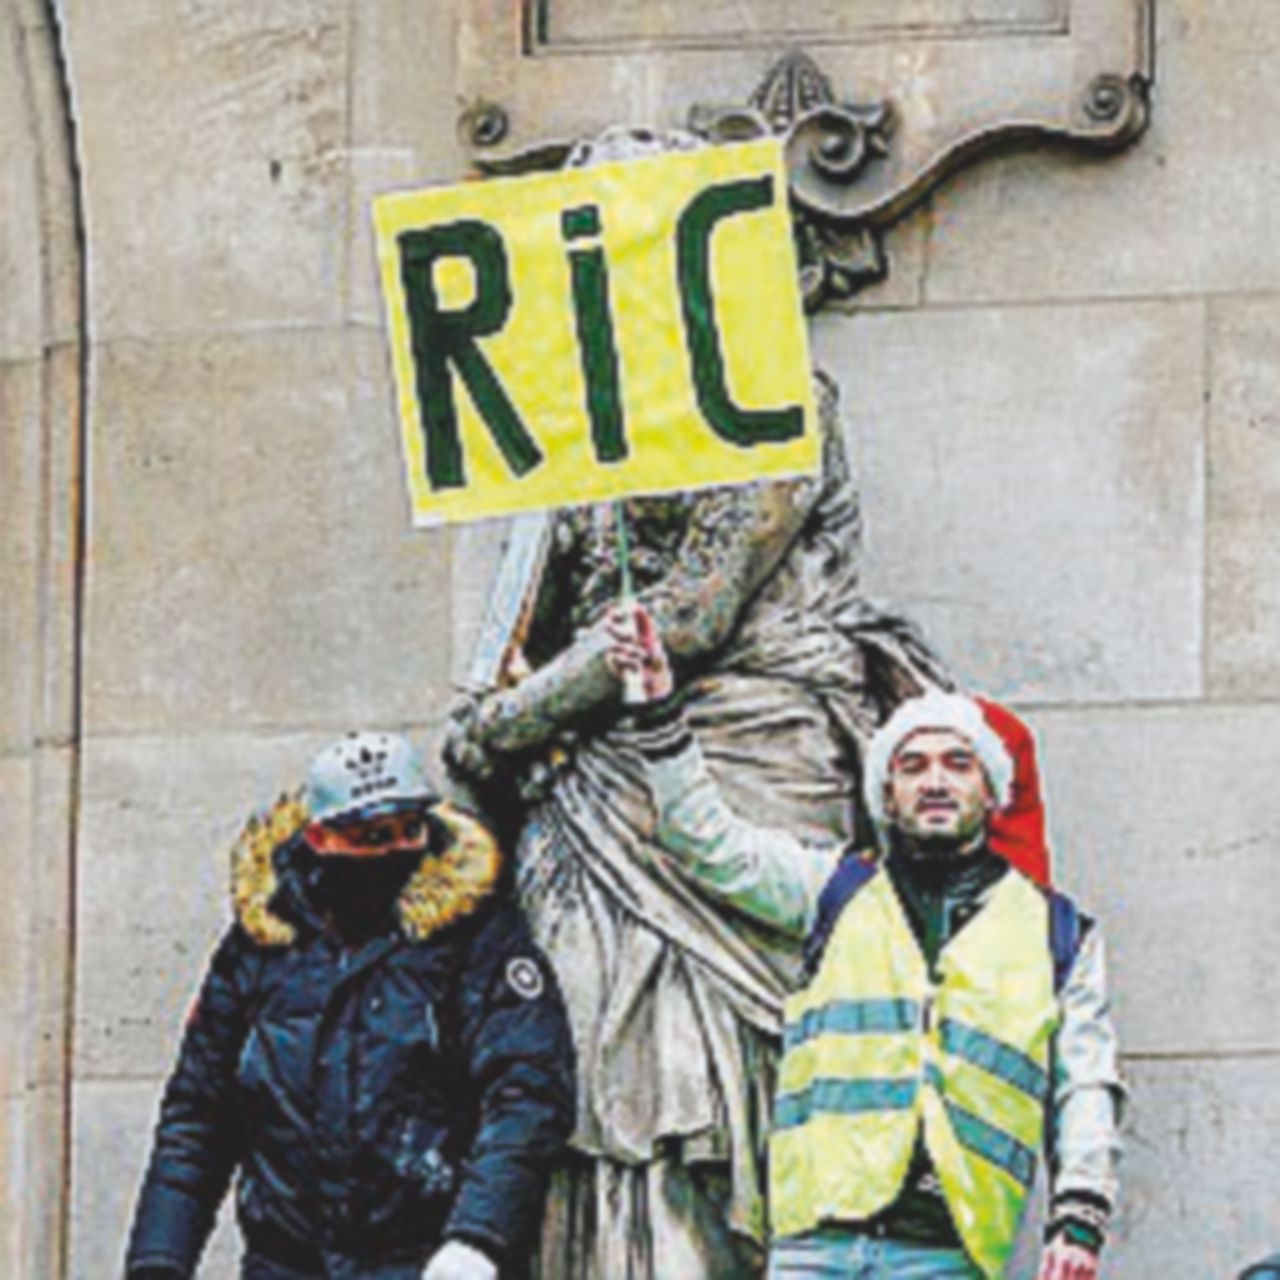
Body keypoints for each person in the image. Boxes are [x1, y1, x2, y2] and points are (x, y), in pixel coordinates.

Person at [445, 355, 949, 1277]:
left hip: (755, 758)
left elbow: (691, 614)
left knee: (744, 1071)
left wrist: (512, 721)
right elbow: (533, 626)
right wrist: (506, 704)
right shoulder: (580, 425)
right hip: (594, 803)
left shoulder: (775, 390)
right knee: (601, 1073)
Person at [608, 606, 1125, 1280]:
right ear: (890, 792)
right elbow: (710, 843)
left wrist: (1079, 1213)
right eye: (912, 766)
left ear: (991, 789)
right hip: (812, 1246)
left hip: (948, 1253)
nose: (934, 781)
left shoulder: (1061, 935)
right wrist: (655, 710)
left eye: (956, 764)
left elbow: (1085, 1085)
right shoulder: (835, 889)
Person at [124, 731, 575, 1280]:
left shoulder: (476, 935)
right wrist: (159, 1259)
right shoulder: (262, 947)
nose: (395, 849)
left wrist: (477, 1240)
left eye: (410, 829)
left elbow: (527, 1090)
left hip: (427, 1261)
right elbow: (199, 1115)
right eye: (371, 836)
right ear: (320, 838)